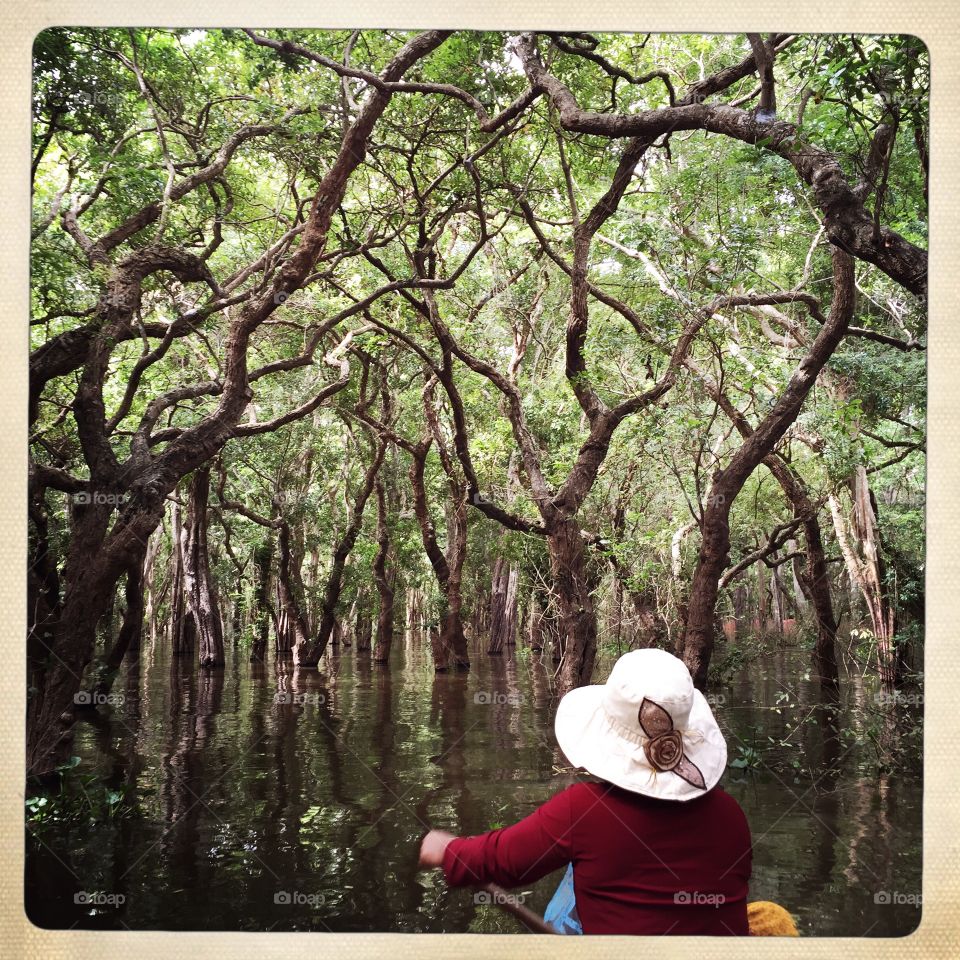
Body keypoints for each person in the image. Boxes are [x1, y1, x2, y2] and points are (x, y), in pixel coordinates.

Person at [418, 648, 754, 935]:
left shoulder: (584, 811)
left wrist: (449, 851)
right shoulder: (731, 815)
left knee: (574, 869)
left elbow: (502, 861)